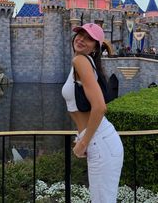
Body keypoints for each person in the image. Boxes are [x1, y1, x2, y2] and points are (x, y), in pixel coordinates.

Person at [62, 23, 124, 203]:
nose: (81, 39)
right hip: (101, 140)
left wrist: (83, 143)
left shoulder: (80, 61)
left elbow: (100, 106)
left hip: (100, 141)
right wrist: (83, 137)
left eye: (89, 38)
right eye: (80, 34)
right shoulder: (84, 63)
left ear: (96, 47)